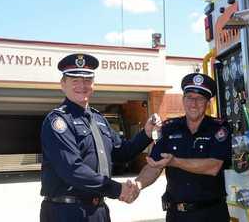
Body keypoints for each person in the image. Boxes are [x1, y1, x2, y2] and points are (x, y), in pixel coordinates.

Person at [40, 53, 160, 222]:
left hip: (98, 210)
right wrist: (117, 189)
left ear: (93, 84)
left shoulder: (98, 119)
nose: (82, 85)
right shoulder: (58, 121)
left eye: (87, 80)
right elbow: (73, 169)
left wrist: (146, 134)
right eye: (75, 80)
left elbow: (121, 152)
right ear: (63, 84)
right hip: (67, 212)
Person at [134, 73, 232, 222]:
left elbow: (213, 166)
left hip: (211, 214)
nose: (193, 103)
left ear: (208, 102)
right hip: (176, 215)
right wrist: (137, 185)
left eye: (200, 99)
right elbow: (154, 165)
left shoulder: (219, 128)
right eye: (189, 97)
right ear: (183, 99)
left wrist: (174, 162)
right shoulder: (168, 128)